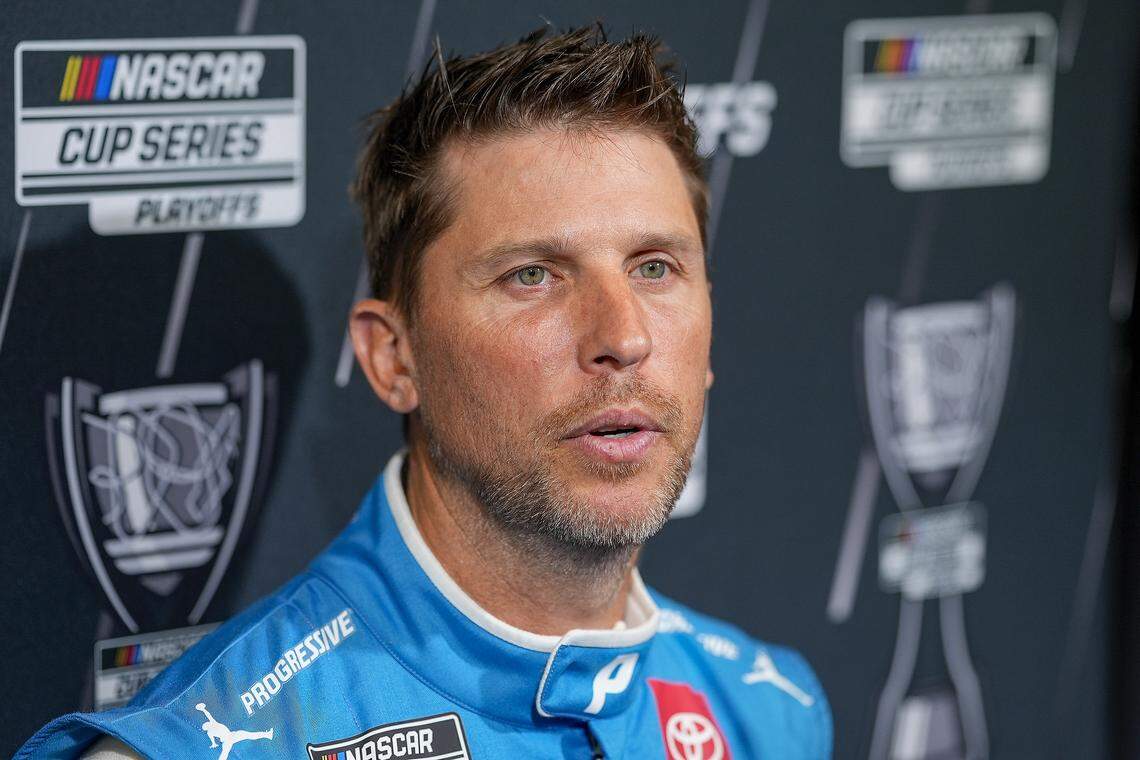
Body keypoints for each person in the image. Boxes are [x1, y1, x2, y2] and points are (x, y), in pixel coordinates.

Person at [17, 24, 831, 759]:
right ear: (392, 357)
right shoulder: (215, 745)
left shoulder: (769, 712)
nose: (623, 337)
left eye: (655, 268)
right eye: (534, 276)